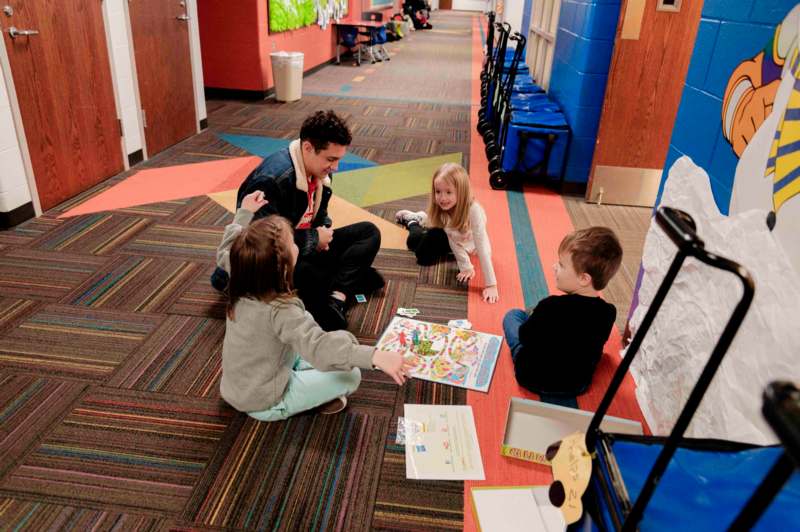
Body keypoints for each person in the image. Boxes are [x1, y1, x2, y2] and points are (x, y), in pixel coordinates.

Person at [219, 191, 412, 421]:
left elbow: (226, 249)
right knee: (351, 375)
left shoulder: (243, 272)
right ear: (282, 267)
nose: (297, 246)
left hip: (237, 387)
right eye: (292, 243)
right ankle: (290, 405)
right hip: (264, 401)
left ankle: (306, 378)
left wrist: (244, 214)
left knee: (326, 348)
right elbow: (318, 345)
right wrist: (375, 356)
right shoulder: (282, 310)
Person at [211, 110, 384, 331]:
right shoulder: (271, 180)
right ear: (308, 148)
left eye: (339, 159)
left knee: (369, 232)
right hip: (266, 265)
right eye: (331, 159)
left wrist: (324, 233)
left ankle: (337, 297)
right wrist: (313, 238)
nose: (336, 167)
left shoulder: (320, 171)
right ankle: (341, 283)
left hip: (300, 247)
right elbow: (260, 247)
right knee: (308, 274)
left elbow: (319, 216)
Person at [503, 227, 622, 396]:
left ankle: (531, 314)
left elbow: (525, 337)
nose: (554, 267)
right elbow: (597, 347)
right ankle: (533, 315)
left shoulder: (550, 306)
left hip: (531, 377)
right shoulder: (609, 312)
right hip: (576, 385)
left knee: (513, 315)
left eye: (561, 264)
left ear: (583, 279)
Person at [395, 162, 499, 303]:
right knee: (416, 247)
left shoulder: (474, 211)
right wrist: (465, 265)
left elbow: (482, 246)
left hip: (466, 239)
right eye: (438, 192)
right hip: (450, 235)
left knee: (424, 245)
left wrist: (491, 285)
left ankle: (422, 219)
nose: (442, 198)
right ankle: (414, 220)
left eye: (448, 192)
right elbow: (452, 240)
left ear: (461, 192)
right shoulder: (443, 209)